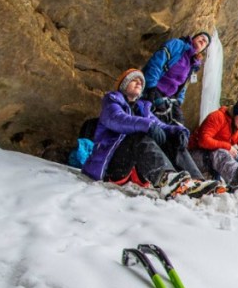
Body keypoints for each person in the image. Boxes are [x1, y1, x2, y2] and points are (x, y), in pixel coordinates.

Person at [82, 69, 214, 198]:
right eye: (134, 80)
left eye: (141, 81)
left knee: (174, 140)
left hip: (135, 168)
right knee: (138, 136)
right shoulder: (112, 102)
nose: (139, 82)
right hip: (111, 167)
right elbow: (118, 119)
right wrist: (147, 125)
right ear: (123, 85)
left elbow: (160, 125)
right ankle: (166, 179)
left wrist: (178, 131)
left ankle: (196, 182)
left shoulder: (143, 109)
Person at [142, 31, 211, 124]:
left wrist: (179, 101)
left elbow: (184, 85)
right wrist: (151, 87)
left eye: (206, 42)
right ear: (194, 37)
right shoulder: (177, 45)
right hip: (155, 87)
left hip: (170, 97)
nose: (203, 40)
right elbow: (156, 63)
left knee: (179, 123)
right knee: (160, 117)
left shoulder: (193, 64)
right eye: (201, 37)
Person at [189, 96, 238, 182]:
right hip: (193, 157)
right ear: (235, 112)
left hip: (212, 159)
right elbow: (203, 141)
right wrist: (227, 147)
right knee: (222, 154)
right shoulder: (217, 117)